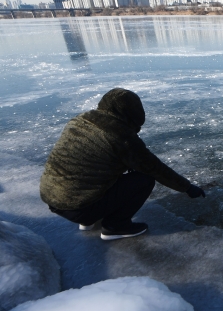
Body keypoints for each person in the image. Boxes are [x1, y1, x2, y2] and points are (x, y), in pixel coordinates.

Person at [40, 88, 206, 241]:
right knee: (144, 179)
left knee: (104, 169)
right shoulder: (121, 136)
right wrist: (187, 187)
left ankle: (89, 219)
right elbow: (155, 168)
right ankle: (115, 226)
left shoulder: (80, 120)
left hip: (53, 200)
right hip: (80, 207)